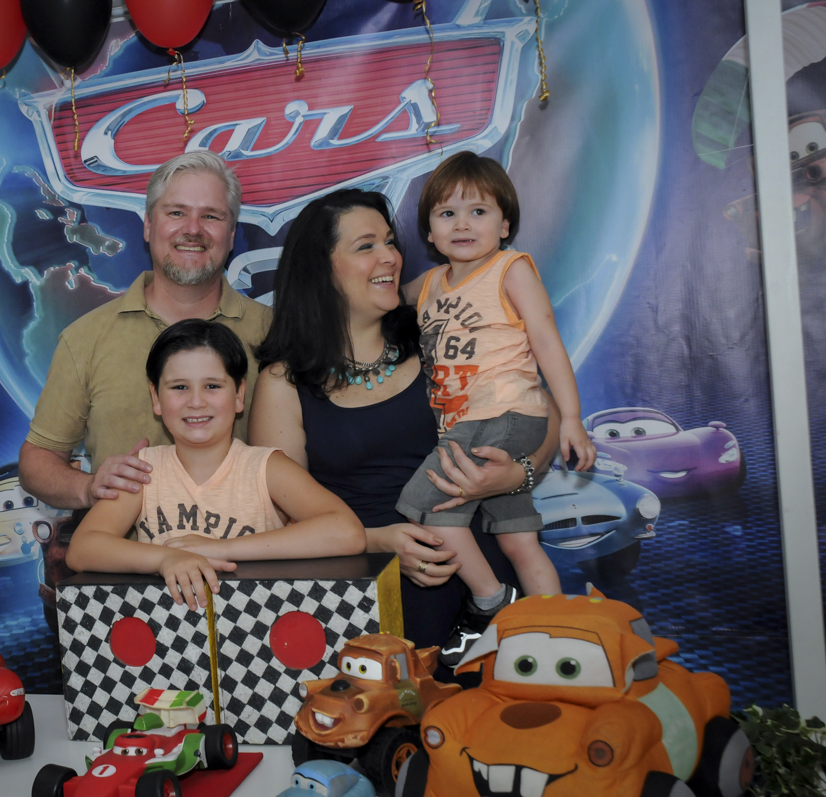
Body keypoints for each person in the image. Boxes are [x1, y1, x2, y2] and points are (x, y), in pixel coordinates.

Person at [250, 188, 559, 664]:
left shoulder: (438, 328)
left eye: (391, 242)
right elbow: (282, 515)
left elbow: (542, 412)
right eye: (366, 245)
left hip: (491, 586)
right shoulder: (283, 381)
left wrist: (519, 475)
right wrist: (379, 538)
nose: (390, 257)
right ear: (321, 268)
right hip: (371, 602)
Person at [395, 152, 595, 665]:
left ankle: (489, 603)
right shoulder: (431, 285)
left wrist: (570, 417)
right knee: (519, 540)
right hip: (472, 425)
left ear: (504, 224)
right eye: (447, 214)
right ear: (430, 233)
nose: (463, 224)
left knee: (430, 509)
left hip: (505, 415)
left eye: (478, 212)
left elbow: (548, 342)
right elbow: (384, 296)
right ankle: (562, 634)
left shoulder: (510, 269)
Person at [18, 152, 270, 511]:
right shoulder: (86, 338)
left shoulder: (273, 333)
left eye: (211, 216)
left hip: (247, 557)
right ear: (149, 226)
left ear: (231, 235)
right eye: (176, 212)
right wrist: (89, 488)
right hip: (125, 561)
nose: (193, 229)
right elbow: (37, 459)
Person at [66, 320, 367, 608]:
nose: (196, 401)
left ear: (239, 395)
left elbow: (348, 532)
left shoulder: (266, 467)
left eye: (212, 386)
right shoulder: (144, 470)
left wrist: (216, 549)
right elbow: (82, 549)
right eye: (179, 387)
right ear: (155, 398)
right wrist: (163, 559)